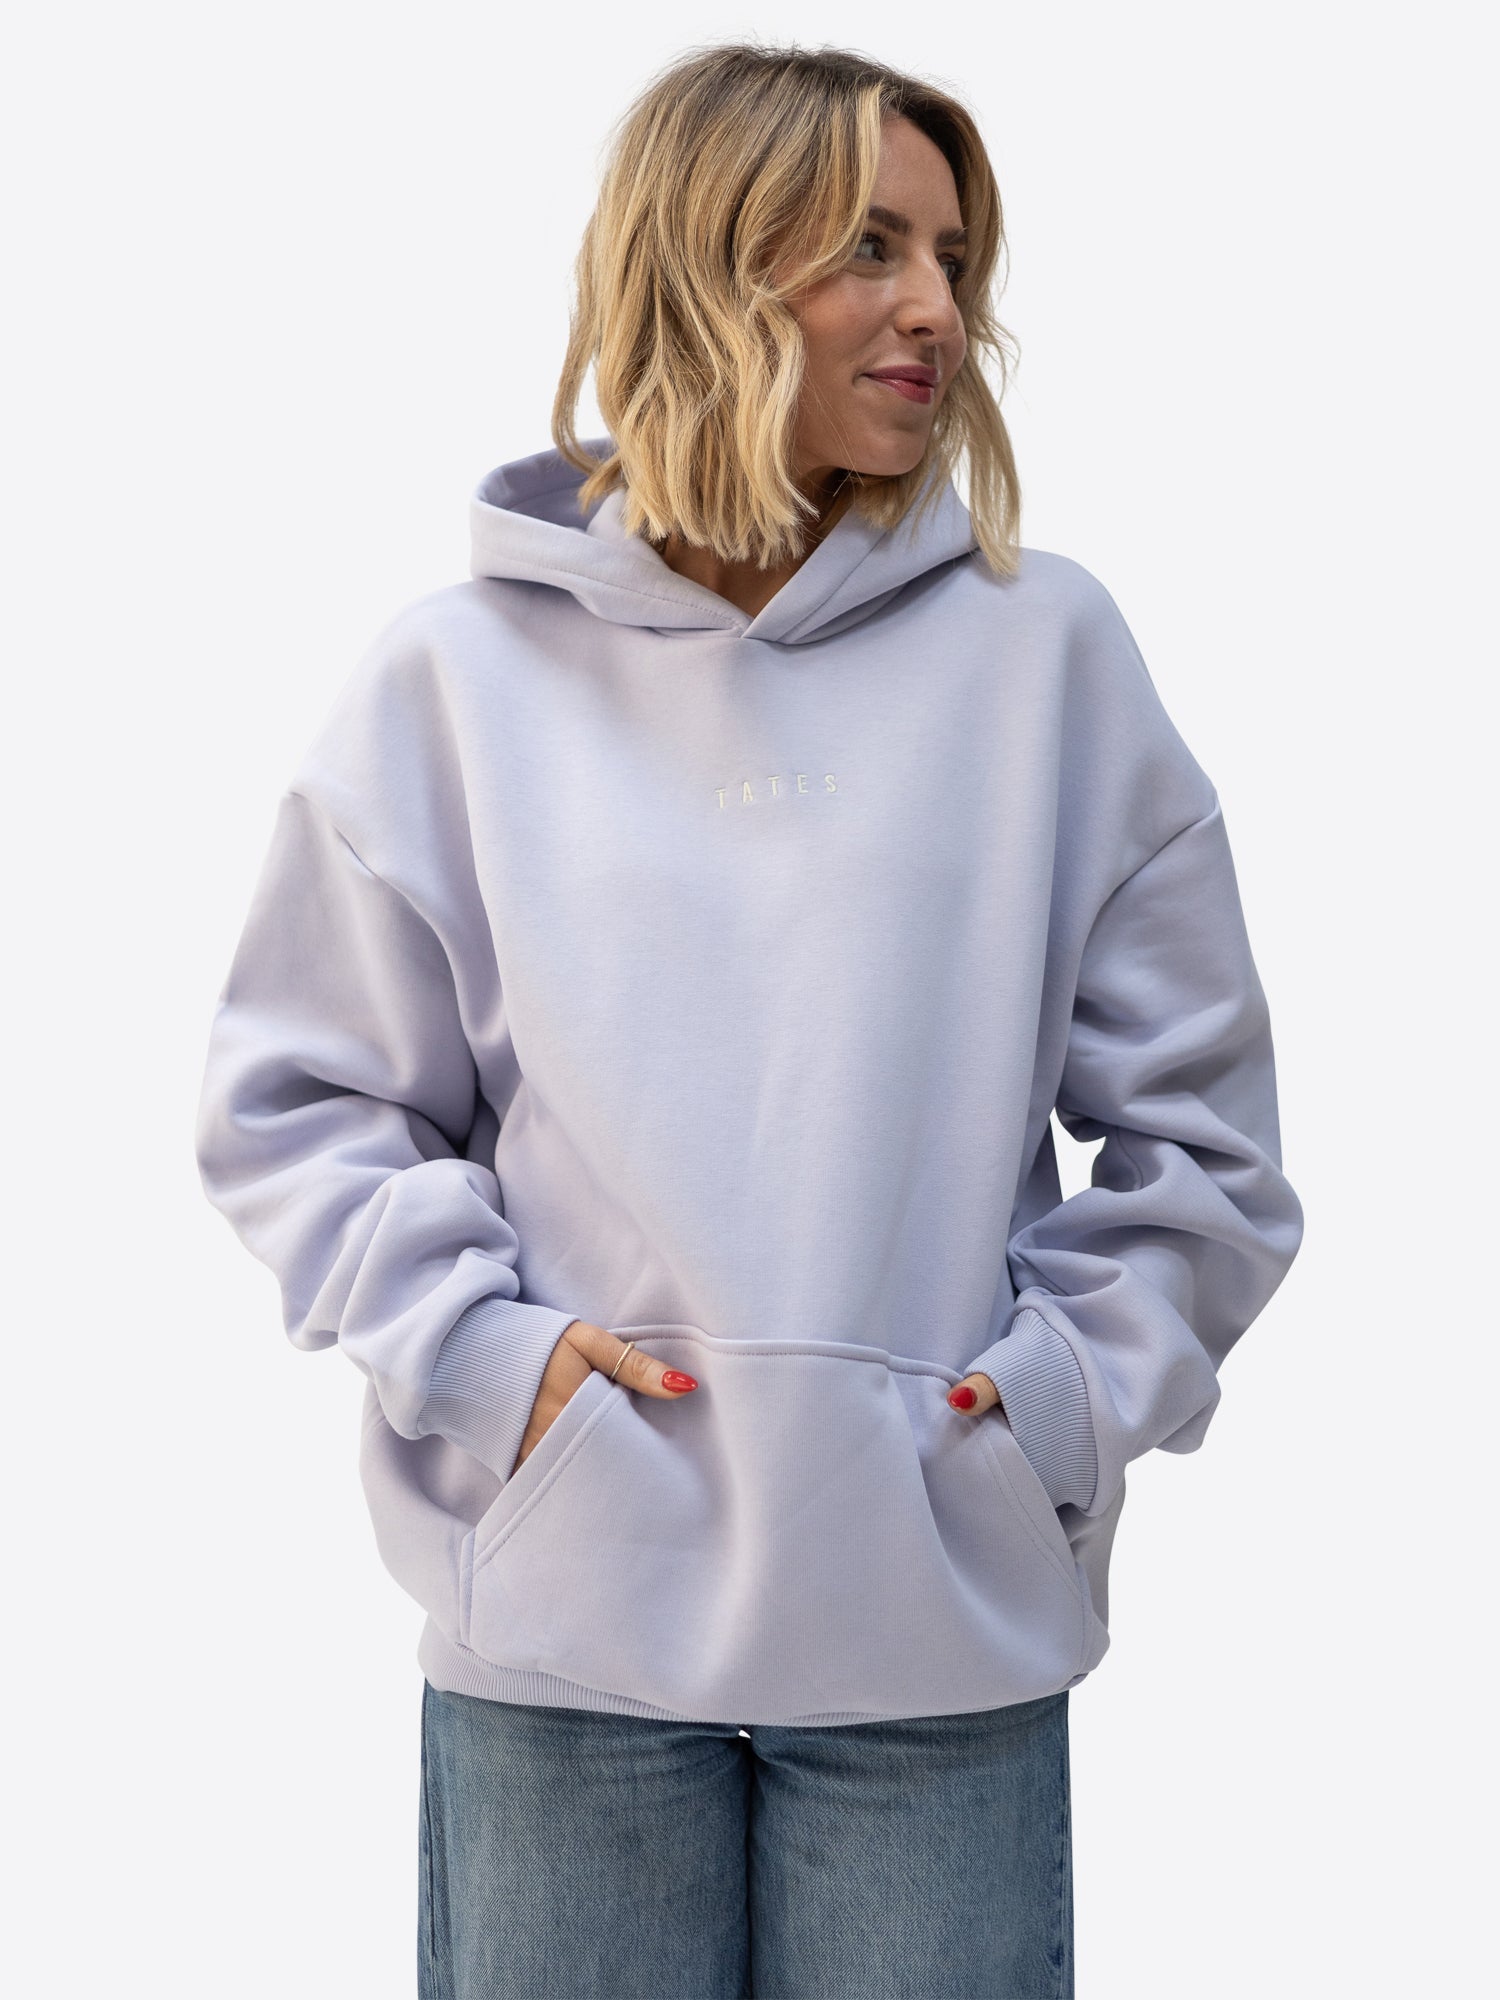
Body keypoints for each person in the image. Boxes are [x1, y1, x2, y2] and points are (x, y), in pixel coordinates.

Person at [193, 38, 1304, 2000]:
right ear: (706, 263)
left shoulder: (1047, 657)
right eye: (871, 246)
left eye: (953, 256)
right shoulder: (458, 679)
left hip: (932, 1630)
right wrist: (492, 1364)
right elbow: (302, 1102)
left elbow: (1206, 1146)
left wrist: (1050, 1407)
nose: (937, 308)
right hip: (566, 1634)